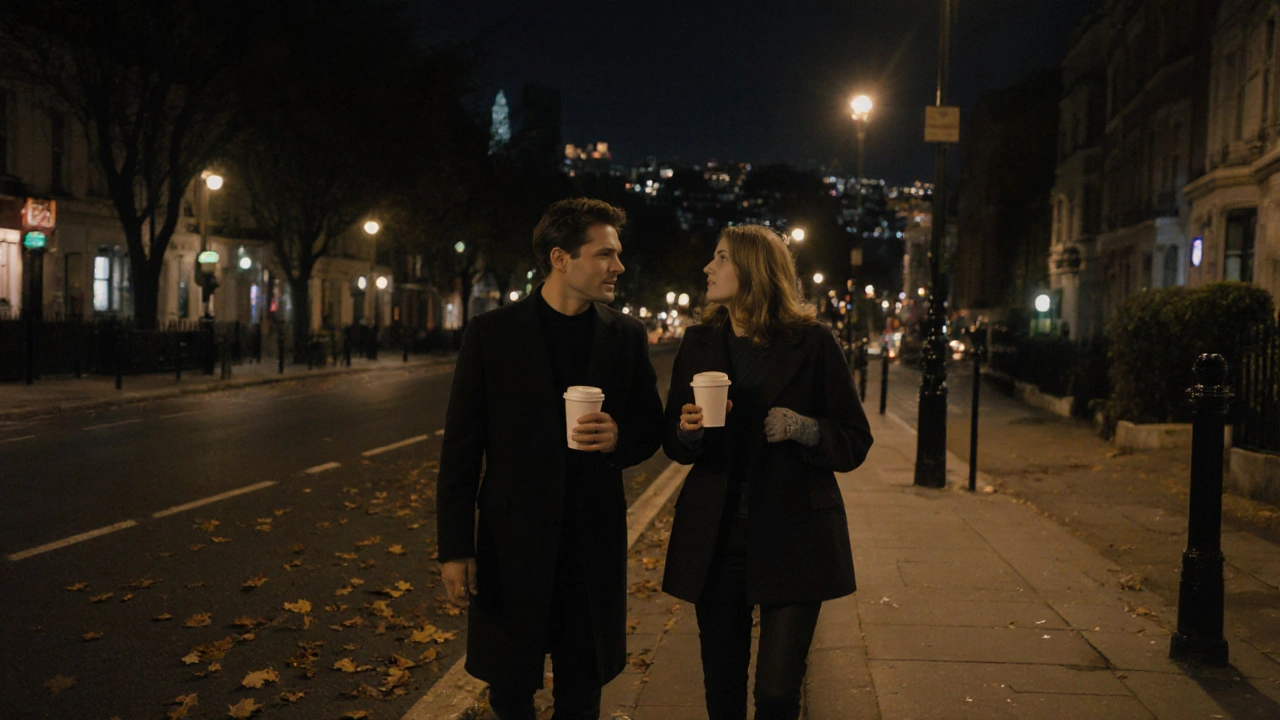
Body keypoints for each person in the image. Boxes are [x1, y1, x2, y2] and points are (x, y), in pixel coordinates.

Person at [436, 198, 666, 720]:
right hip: (512, 544)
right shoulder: (492, 334)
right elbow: (461, 451)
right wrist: (455, 548)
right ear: (560, 258)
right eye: (605, 254)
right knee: (510, 692)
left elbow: (650, 428)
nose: (619, 267)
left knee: (582, 692)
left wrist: (617, 436)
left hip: (592, 544)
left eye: (618, 254)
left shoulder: (625, 335)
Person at [661, 224, 874, 720]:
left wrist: (807, 429)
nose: (708, 268)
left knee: (778, 694)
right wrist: (689, 430)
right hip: (717, 541)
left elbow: (855, 438)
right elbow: (673, 436)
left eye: (721, 259)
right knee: (723, 689)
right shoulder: (698, 343)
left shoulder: (814, 344)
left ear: (754, 270)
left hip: (795, 537)